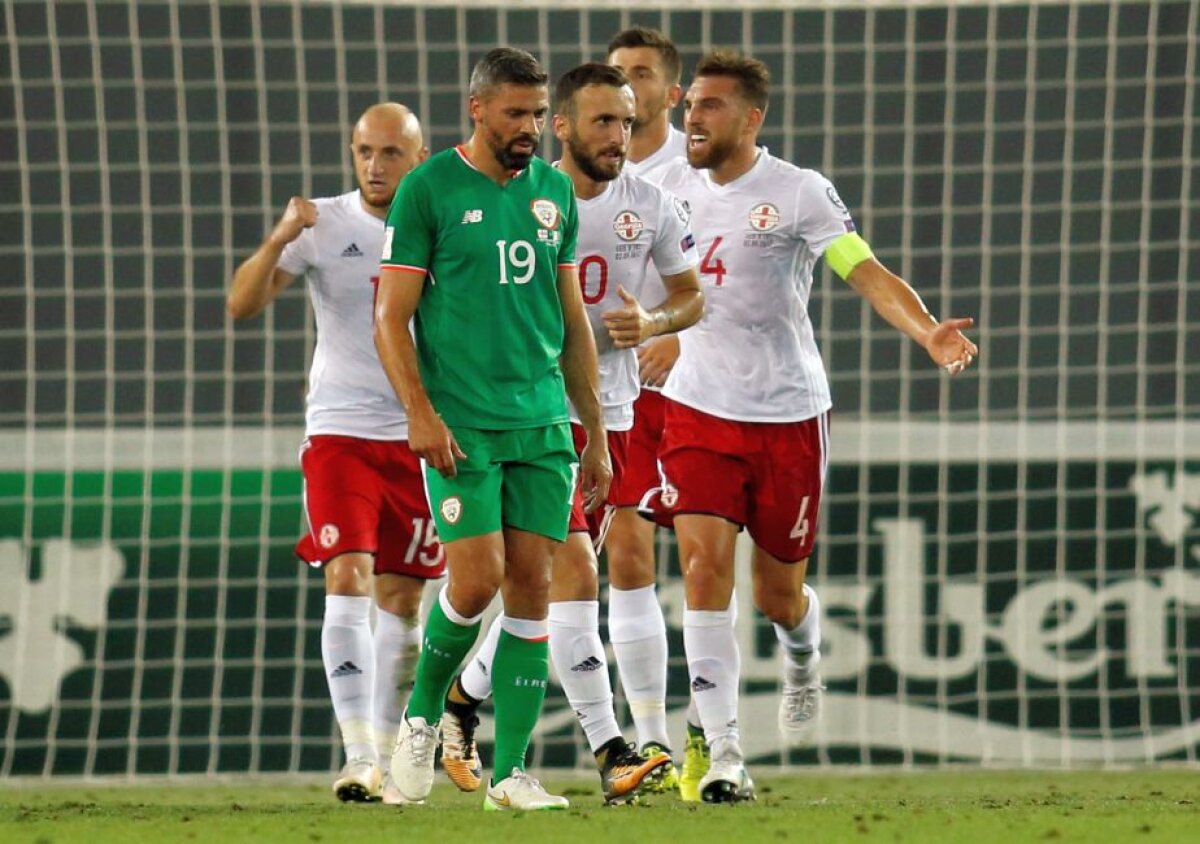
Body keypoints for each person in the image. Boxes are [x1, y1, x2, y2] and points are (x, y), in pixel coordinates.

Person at [652, 51, 978, 803]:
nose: (693, 118)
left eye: (711, 106)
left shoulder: (797, 192)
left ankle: (803, 654)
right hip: (697, 409)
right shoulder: (665, 188)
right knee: (702, 573)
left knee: (776, 597)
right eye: (691, 104)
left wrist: (927, 330)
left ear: (752, 116)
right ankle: (727, 752)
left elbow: (862, 269)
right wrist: (661, 326)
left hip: (787, 415)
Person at [439, 62, 704, 805]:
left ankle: (463, 695)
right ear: (561, 125)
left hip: (613, 415)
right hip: (535, 414)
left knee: (551, 582)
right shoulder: (527, 199)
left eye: (626, 122)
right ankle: (612, 746)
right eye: (602, 122)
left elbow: (689, 297)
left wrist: (653, 321)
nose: (619, 136)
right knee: (576, 573)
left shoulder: (651, 205)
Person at [373, 48, 611, 812]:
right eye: (516, 113)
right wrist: (419, 411)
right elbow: (390, 318)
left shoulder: (554, 194)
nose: (531, 129)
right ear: (477, 109)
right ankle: (420, 717)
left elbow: (572, 320)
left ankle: (509, 774)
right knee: (474, 580)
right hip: (460, 422)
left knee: (534, 587)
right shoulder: (428, 188)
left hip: (541, 419)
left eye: (539, 114)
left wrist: (595, 429)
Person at [227, 103, 441, 803]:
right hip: (341, 431)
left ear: (419, 156)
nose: (375, 167)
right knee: (345, 575)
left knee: (404, 601)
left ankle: (385, 752)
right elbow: (241, 303)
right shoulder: (326, 223)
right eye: (363, 152)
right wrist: (282, 234)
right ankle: (356, 755)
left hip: (421, 431)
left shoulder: (444, 223)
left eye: (389, 154)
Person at [605, 25, 703, 798]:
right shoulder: (577, 173)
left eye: (641, 75)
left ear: (671, 93)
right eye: (616, 75)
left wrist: (673, 336)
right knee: (624, 556)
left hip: (704, 396)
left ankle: (712, 730)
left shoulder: (692, 169)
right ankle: (651, 739)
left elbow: (717, 284)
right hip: (615, 394)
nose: (627, 88)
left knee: (713, 568)